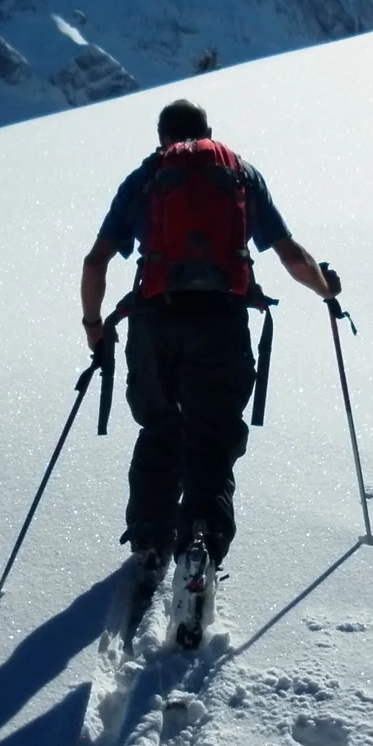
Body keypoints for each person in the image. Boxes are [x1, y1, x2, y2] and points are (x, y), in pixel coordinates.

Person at [80, 98, 339, 578]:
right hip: (221, 323)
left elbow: (95, 262)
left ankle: (149, 541)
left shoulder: (145, 179)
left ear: (161, 136)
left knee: (160, 428)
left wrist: (94, 327)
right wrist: (326, 290)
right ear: (208, 131)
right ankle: (201, 540)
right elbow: (289, 254)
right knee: (212, 436)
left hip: (154, 323)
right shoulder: (240, 175)